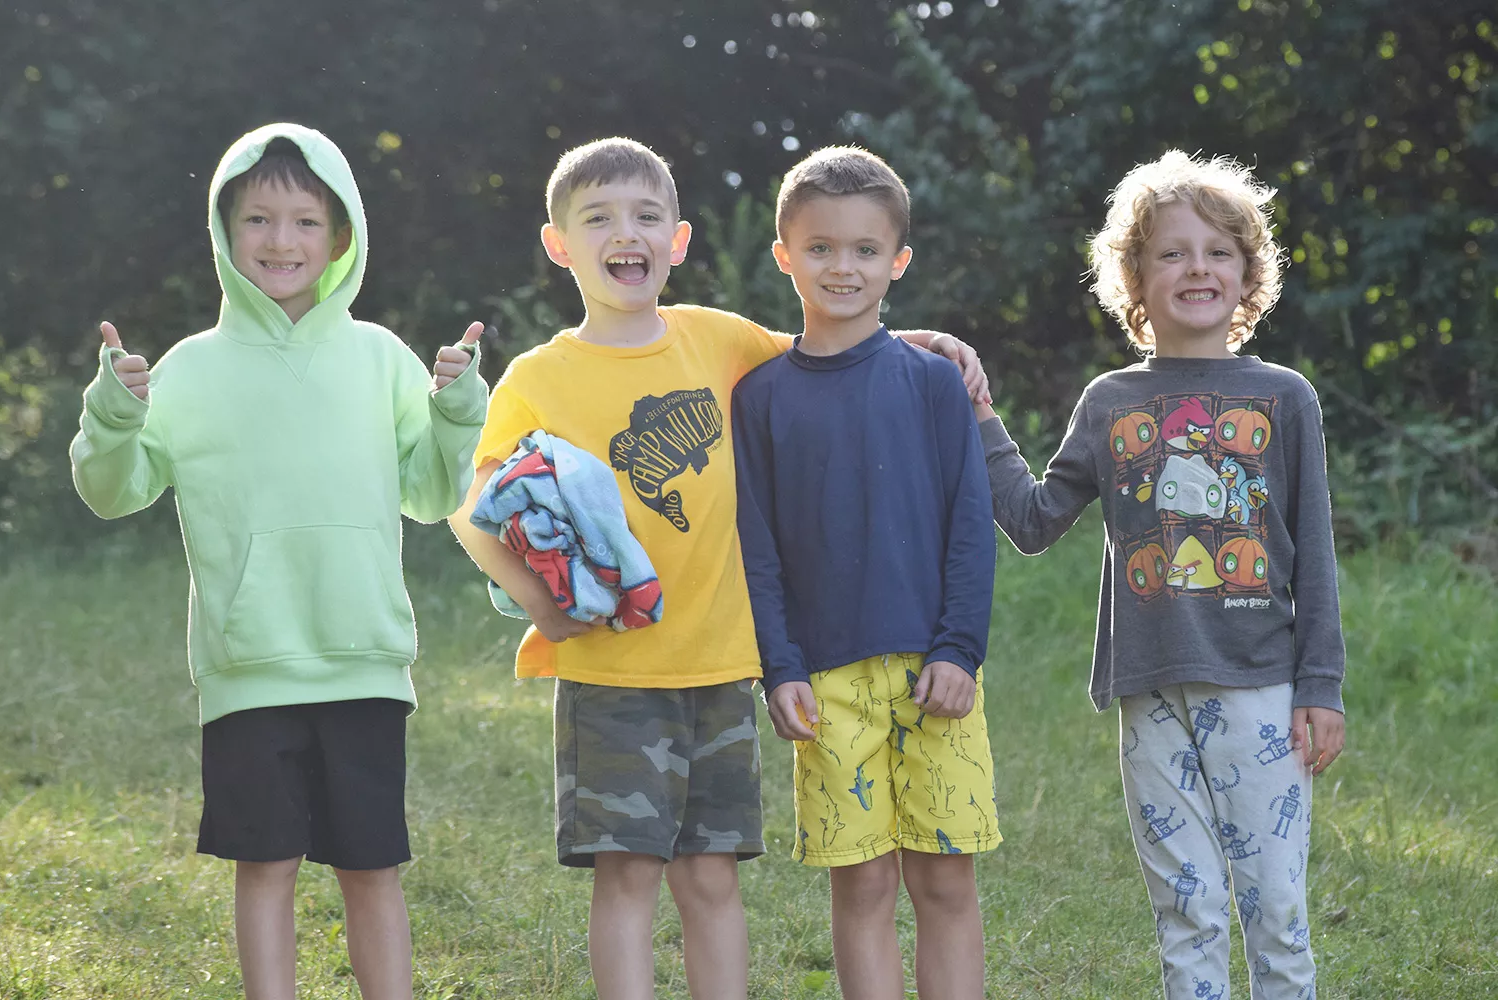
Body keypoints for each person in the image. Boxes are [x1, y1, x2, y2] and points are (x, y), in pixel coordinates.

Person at [445, 136, 986, 1000]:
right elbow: (476, 515)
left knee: (710, 878)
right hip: (612, 676)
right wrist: (542, 611)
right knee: (626, 875)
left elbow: (831, 351)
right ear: (560, 246)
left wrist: (928, 343)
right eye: (600, 219)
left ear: (679, 239)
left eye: (647, 216)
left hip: (722, 669)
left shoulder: (718, 339)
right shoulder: (539, 376)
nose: (628, 233)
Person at [70, 123, 488, 1000]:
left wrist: (453, 415)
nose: (281, 240)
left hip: (364, 663)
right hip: (248, 669)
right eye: (259, 219)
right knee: (264, 867)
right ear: (227, 232)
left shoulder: (379, 358)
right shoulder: (189, 370)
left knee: (371, 869)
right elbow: (116, 491)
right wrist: (112, 416)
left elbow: (430, 493)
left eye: (304, 221)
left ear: (340, 237)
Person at [977, 149, 1346, 999]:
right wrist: (982, 418)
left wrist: (1319, 685)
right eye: (1172, 252)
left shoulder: (1284, 397)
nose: (1197, 269)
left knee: (1276, 910)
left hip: (1259, 683)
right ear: (1133, 278)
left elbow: (1317, 552)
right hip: (1149, 691)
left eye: (1218, 252)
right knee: (1187, 907)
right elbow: (1034, 522)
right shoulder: (1111, 400)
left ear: (1248, 275)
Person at [732, 146, 999, 1000]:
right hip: (827, 680)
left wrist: (960, 649)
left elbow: (970, 527)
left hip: (936, 672)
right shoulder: (760, 396)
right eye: (820, 248)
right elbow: (757, 546)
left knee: (945, 881)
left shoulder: (933, 383)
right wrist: (780, 668)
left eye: (864, 250)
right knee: (865, 884)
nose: (842, 266)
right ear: (784, 255)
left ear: (898, 261)